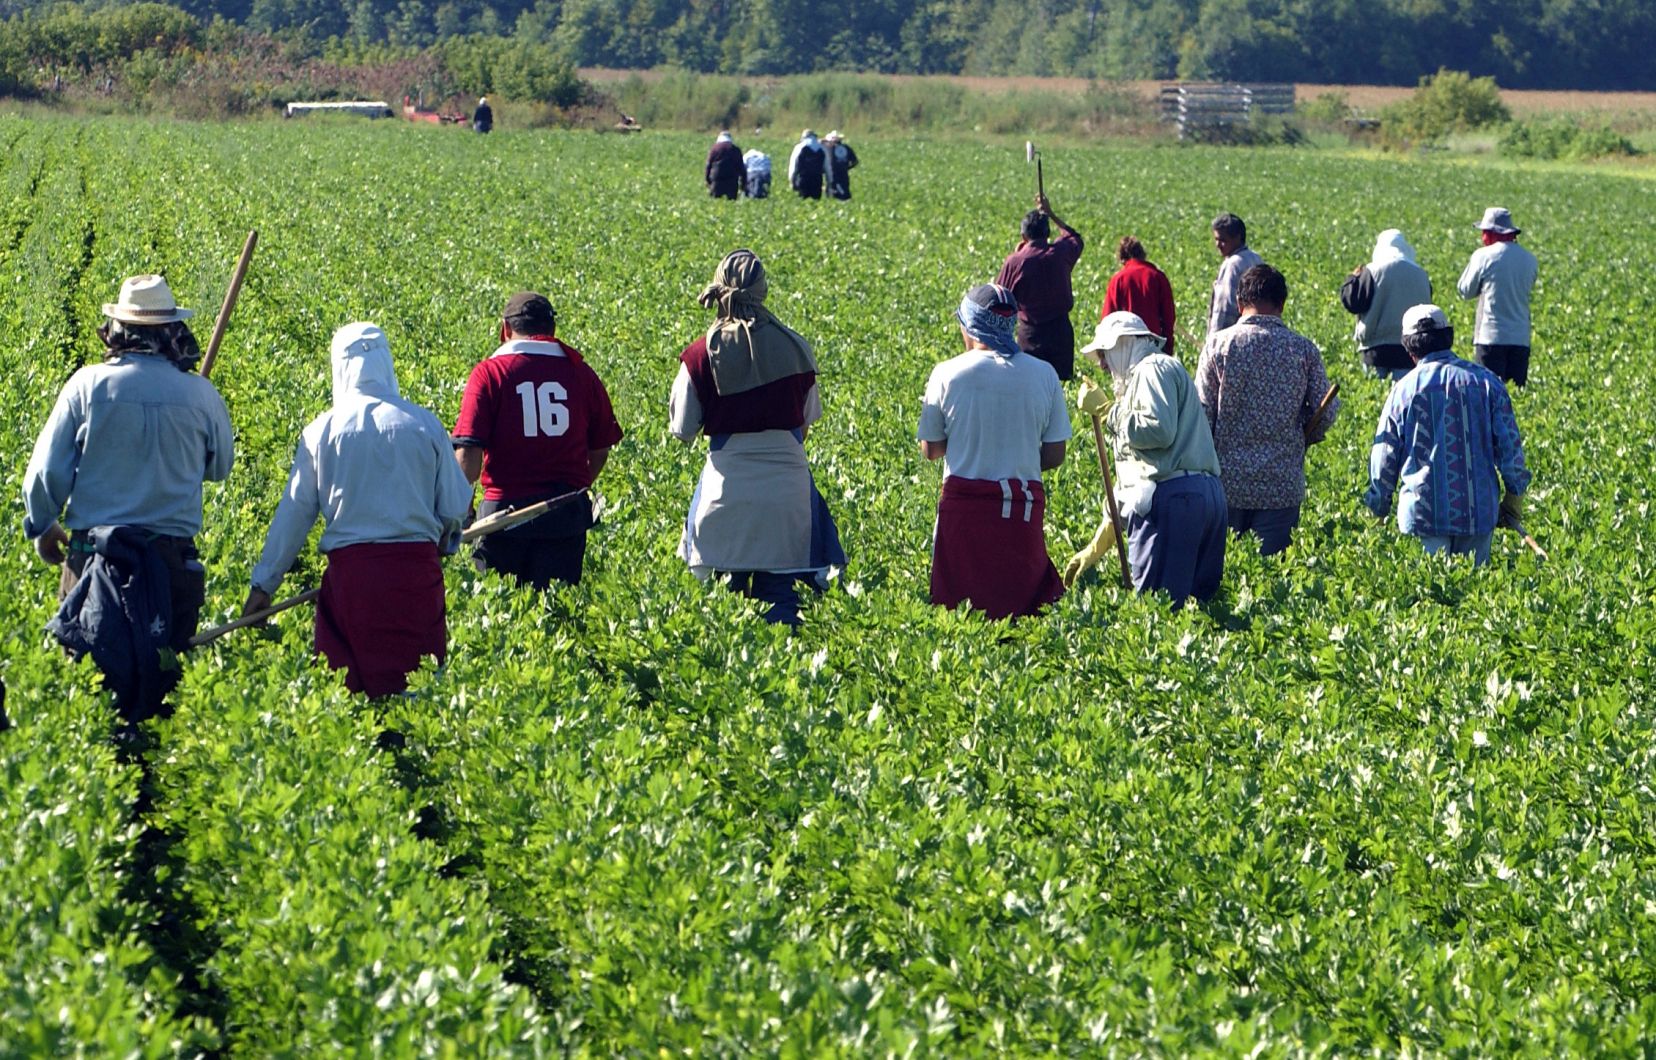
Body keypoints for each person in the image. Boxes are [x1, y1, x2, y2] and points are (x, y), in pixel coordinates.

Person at [23, 274, 233, 718]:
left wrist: (43, 526)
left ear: (118, 329)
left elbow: (44, 475)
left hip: (93, 563)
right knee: (163, 700)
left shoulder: (88, 386)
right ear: (171, 330)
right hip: (170, 566)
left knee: (90, 702)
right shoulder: (201, 395)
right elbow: (219, 469)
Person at [244, 323, 472, 697]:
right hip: (415, 577)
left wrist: (264, 585)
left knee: (348, 696)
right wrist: (447, 541)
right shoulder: (424, 424)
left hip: (353, 582)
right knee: (417, 693)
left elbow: (294, 515)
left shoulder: (321, 432)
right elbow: (454, 507)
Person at [670, 250, 845, 626]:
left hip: (725, 498)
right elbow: (804, 426)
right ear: (763, 290)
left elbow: (682, 429)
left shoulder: (699, 356)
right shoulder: (796, 348)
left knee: (722, 619)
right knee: (785, 615)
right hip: (788, 500)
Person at [918, 283, 1069, 620]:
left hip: (964, 511)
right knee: (1021, 608)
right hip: (1019, 509)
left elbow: (932, 450)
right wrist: (1019, 455)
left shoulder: (947, 373)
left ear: (970, 326)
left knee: (961, 610)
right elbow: (1055, 454)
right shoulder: (1044, 374)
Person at [452, 293, 623, 589]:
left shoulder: (490, 373)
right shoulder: (581, 373)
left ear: (505, 329)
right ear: (552, 329)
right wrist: (576, 488)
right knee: (556, 608)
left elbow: (468, 454)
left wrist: (461, 512)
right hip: (565, 517)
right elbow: (600, 449)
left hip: (502, 518)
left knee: (500, 610)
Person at [1067, 312, 1226, 605]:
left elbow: (1159, 431)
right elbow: (1133, 475)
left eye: (1103, 354)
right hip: (1200, 496)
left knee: (1159, 611)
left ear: (1123, 344)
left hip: (1175, 501)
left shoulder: (1151, 369)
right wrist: (1098, 544)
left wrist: (1108, 412)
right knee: (1200, 608)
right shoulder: (1154, 373)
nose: (1102, 364)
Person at [1364, 304, 1531, 564]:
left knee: (1428, 587)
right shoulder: (1487, 383)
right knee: (1475, 587)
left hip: (1423, 517)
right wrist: (1514, 498)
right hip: (1478, 514)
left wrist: (1378, 509)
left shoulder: (1403, 391)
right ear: (1448, 337)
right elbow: (1510, 448)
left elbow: (1384, 456)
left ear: (1408, 348)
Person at [1195, 263, 1340, 557]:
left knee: (1226, 571)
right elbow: (1325, 412)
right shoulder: (1303, 350)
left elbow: (1202, 415)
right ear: (1282, 304)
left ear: (1239, 304)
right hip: (1281, 484)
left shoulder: (1218, 346)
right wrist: (1307, 434)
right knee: (1273, 573)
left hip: (1228, 483)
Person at [994, 193, 1084, 381]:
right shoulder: (1060, 253)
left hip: (1030, 336)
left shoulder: (1016, 262)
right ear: (1048, 234)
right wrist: (1051, 213)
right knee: (1060, 386)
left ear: (1023, 236)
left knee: (1031, 385)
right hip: (1060, 333)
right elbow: (1075, 238)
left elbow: (998, 297)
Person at [1457, 207, 1538, 387]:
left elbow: (1465, 290)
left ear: (1490, 233)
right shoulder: (1530, 259)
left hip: (1490, 337)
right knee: (1516, 395)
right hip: (1520, 338)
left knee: (1489, 394)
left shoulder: (1483, 256)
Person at [1341, 228, 1433, 380]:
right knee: (1405, 393)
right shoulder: (1421, 274)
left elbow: (1353, 303)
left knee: (1374, 391)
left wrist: (1352, 279)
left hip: (1376, 350)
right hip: (1410, 349)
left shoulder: (1372, 271)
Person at [1100, 236, 1176, 356]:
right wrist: (1168, 348)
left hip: (1125, 348)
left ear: (1122, 259)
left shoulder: (1118, 280)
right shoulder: (1158, 277)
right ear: (1143, 255)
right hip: (1153, 345)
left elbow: (1108, 319)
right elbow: (1168, 317)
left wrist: (1104, 353)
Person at [1207, 212, 1263, 340]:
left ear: (1237, 238)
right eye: (1216, 239)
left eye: (1223, 240)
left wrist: (1215, 340)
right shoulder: (1256, 258)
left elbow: (1225, 308)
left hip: (1232, 337)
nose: (1218, 245)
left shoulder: (1233, 264)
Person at [787, 129, 826, 200]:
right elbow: (827, 167)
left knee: (803, 202)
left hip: (803, 179)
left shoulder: (799, 147)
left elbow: (793, 166)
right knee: (816, 202)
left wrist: (792, 181)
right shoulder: (821, 147)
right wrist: (829, 183)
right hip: (817, 180)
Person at [705, 130, 743, 200]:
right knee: (731, 202)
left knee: (716, 202)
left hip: (717, 179)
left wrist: (708, 180)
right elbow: (741, 167)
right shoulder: (736, 149)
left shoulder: (714, 149)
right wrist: (743, 184)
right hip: (731, 180)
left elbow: (708, 165)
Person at [823, 131, 859, 200]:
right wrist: (847, 168)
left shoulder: (829, 149)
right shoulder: (847, 148)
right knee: (844, 190)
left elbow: (828, 162)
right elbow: (855, 161)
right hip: (844, 174)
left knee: (833, 194)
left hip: (833, 175)